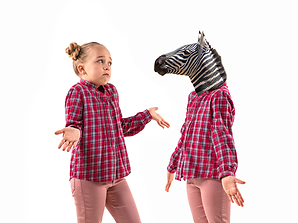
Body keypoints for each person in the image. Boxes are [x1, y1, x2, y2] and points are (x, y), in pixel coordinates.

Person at [55, 42, 170, 223]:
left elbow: (120, 127)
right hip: (89, 177)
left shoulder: (112, 92)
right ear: (82, 69)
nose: (107, 66)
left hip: (115, 175)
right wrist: (73, 131)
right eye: (100, 61)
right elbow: (74, 123)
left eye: (109, 63)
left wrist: (147, 115)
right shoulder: (77, 92)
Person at [165, 84, 245, 223]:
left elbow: (222, 134)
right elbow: (186, 135)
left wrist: (227, 172)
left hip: (211, 175)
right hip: (191, 175)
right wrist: (173, 165)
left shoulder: (219, 95)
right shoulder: (194, 96)